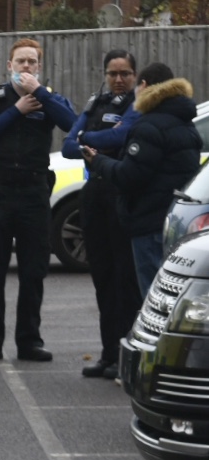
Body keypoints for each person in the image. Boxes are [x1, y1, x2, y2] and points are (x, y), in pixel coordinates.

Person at [0, 38, 76, 363]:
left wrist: (40, 94)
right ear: (9, 66)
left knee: (33, 271)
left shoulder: (49, 99)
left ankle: (29, 341)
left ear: (39, 67)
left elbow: (73, 126)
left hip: (33, 191)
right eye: (21, 62)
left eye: (32, 62)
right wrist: (17, 110)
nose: (26, 67)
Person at [85, 63, 202, 299]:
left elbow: (129, 177)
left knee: (154, 299)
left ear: (144, 86)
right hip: (176, 222)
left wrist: (97, 161)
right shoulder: (185, 123)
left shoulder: (149, 125)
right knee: (174, 296)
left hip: (148, 222)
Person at [62, 50, 141, 379]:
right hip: (94, 195)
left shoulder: (139, 105)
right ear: (105, 74)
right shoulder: (96, 103)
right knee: (102, 279)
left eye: (125, 73)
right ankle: (109, 355)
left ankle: (128, 358)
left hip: (121, 194)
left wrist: (85, 139)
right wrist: (85, 142)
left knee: (126, 281)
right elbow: (67, 145)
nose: (119, 79)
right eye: (113, 73)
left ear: (134, 75)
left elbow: (119, 136)